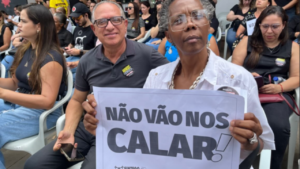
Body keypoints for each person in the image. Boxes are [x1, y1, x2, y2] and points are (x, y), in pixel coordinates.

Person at [82, 0, 275, 168]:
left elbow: (261, 143)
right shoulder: (156, 77)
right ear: (169, 35)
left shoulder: (237, 79)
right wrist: (104, 124)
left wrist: (250, 140)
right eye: (178, 20)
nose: (190, 24)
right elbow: (142, 135)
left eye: (197, 16)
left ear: (208, 26)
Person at [24, 1, 168, 169]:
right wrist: (69, 131)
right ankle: (77, 155)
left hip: (121, 136)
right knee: (35, 165)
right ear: (94, 29)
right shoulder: (87, 61)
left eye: (115, 20)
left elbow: (174, 85)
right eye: (101, 22)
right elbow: (77, 100)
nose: (109, 26)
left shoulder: (147, 55)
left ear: (124, 24)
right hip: (86, 129)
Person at [0, 4, 67, 169]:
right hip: (19, 105)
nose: (18, 24)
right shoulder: (25, 49)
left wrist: (2, 94)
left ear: (38, 26)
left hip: (42, 113)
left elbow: (47, 101)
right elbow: (15, 83)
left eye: (23, 21)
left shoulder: (51, 57)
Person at [232, 6, 299, 169]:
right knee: (233, 123)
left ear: (283, 25)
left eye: (275, 26)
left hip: (277, 95)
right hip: (247, 92)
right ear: (259, 25)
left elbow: (297, 78)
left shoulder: (292, 47)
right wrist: (248, 76)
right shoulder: (247, 41)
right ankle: (236, 162)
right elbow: (233, 68)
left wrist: (280, 88)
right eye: (265, 26)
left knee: (278, 125)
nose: (269, 31)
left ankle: (272, 165)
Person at [65, 2, 97, 82]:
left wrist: (79, 52)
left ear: (86, 15)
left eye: (78, 18)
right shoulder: (77, 28)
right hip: (72, 57)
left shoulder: (94, 30)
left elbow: (97, 52)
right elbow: (72, 43)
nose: (76, 21)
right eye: (73, 18)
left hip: (86, 60)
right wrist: (69, 48)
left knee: (71, 78)